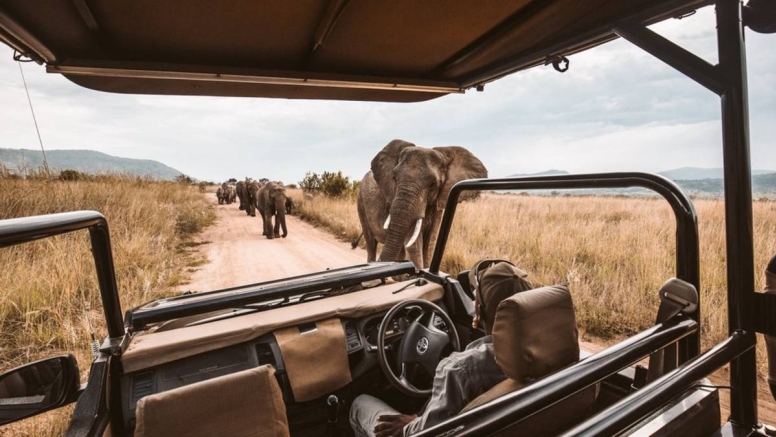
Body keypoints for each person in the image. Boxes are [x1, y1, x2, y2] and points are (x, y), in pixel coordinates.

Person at [349, 260, 534, 437]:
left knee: (359, 404)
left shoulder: (460, 369)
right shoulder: (545, 352)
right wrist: (418, 417)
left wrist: (409, 426)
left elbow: (424, 433)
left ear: (478, 311)